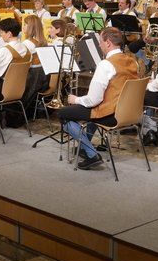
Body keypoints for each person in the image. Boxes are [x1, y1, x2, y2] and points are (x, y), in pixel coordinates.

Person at [58, 27, 139, 169]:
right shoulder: (133, 61)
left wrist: (76, 100)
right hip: (128, 113)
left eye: (100, 42)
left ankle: (91, 154)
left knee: (63, 114)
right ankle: (85, 145)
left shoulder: (105, 64)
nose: (99, 45)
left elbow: (93, 100)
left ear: (108, 43)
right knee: (93, 109)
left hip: (110, 115)